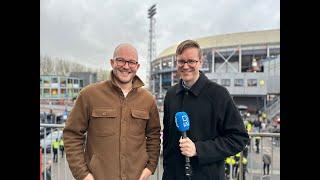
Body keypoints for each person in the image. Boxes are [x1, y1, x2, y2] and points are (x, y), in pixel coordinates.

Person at [63, 43, 161, 180]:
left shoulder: (148, 99)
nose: (126, 66)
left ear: (137, 67)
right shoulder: (89, 95)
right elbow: (72, 134)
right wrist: (83, 175)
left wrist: (149, 168)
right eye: (121, 60)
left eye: (131, 62)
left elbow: (154, 136)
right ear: (112, 62)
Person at [162, 40, 249, 180]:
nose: (185, 66)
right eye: (181, 61)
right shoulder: (171, 95)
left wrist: (199, 149)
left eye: (191, 61)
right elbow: (167, 138)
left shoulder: (219, 94)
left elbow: (239, 138)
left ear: (201, 62)